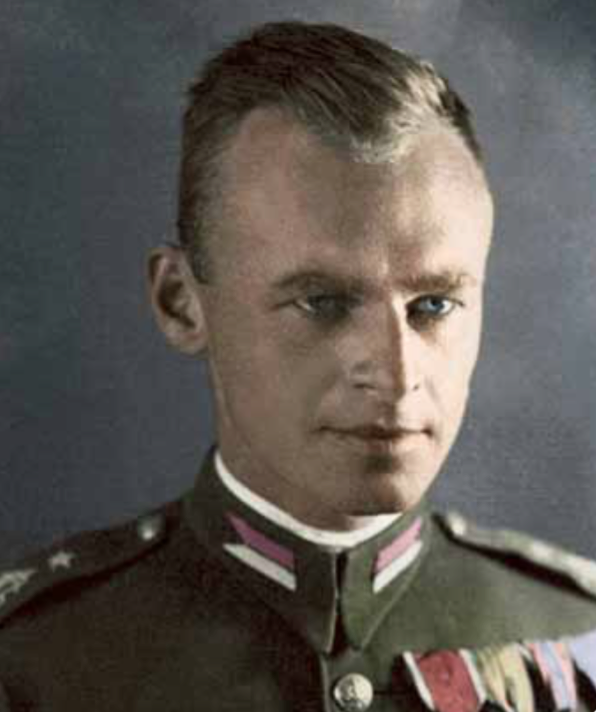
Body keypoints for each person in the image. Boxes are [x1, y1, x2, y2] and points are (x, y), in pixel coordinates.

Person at [1, 20, 595, 712]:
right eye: (323, 302)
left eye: (433, 305)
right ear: (181, 302)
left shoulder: (576, 634)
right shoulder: (35, 657)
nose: (397, 373)